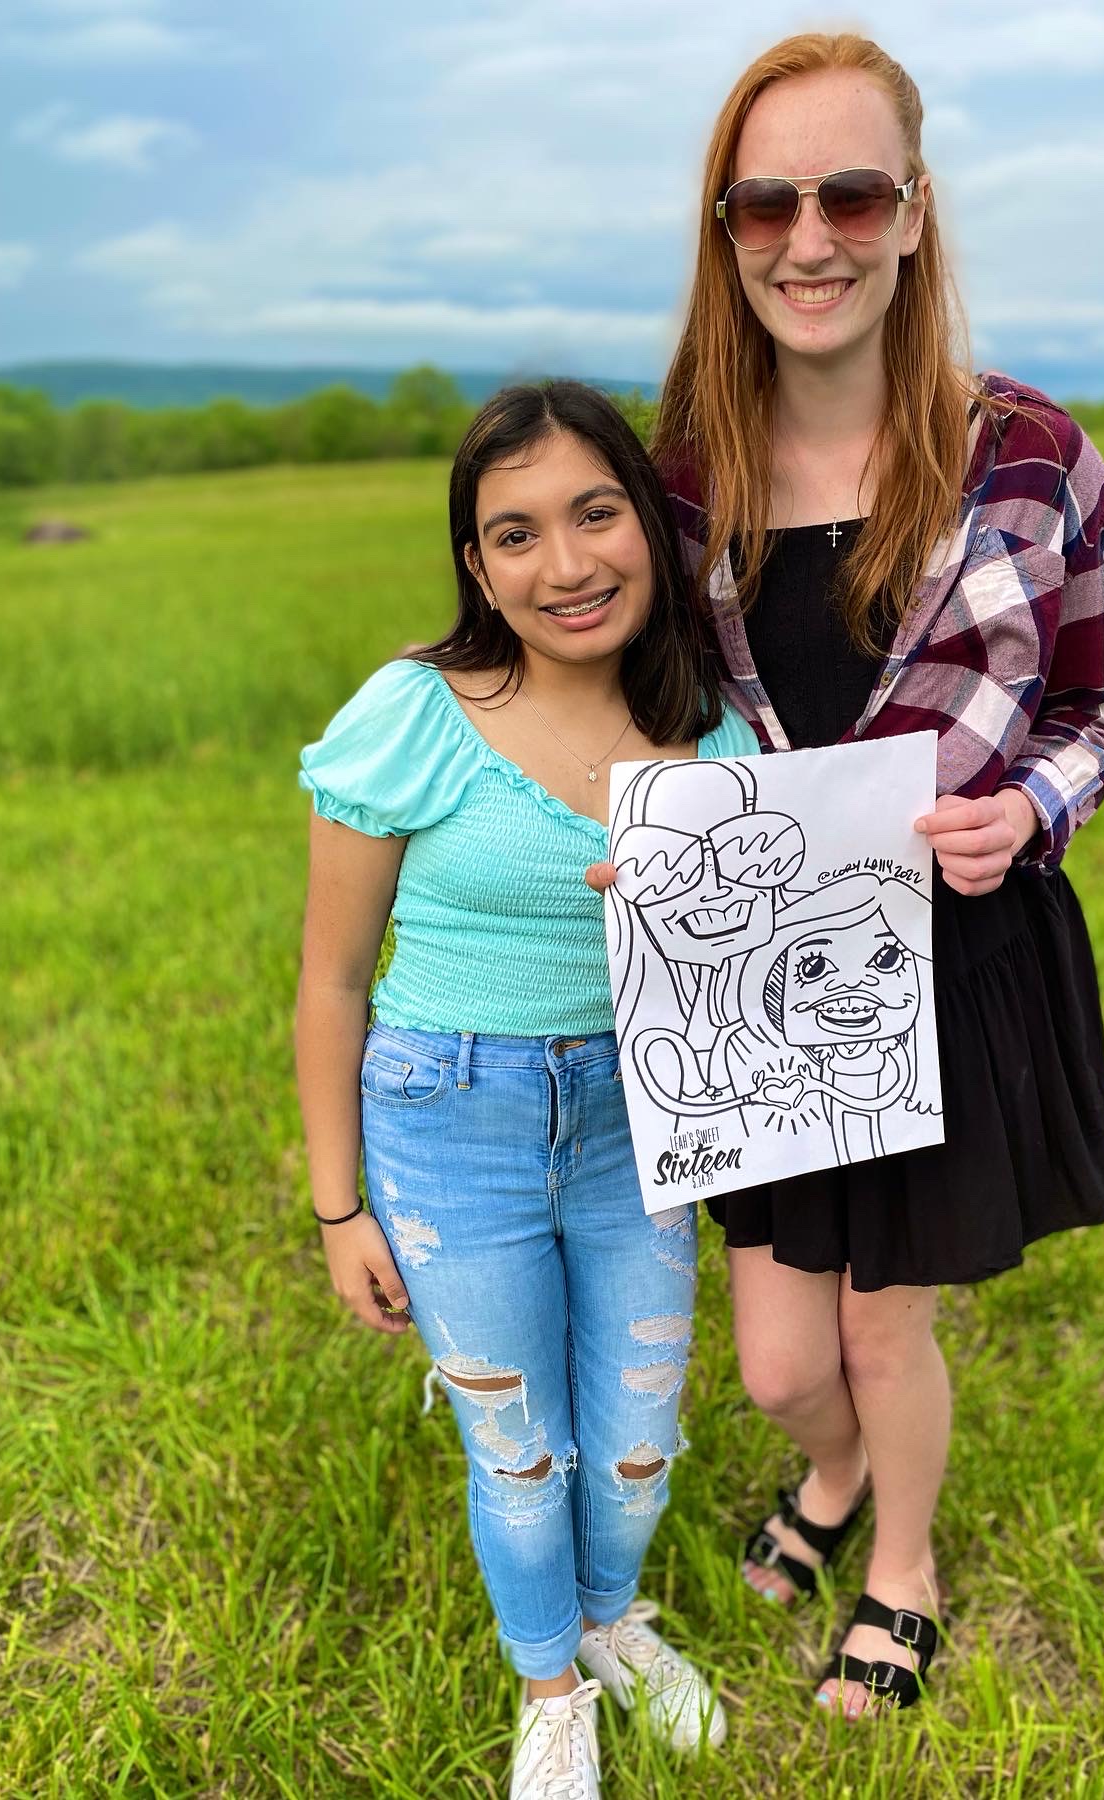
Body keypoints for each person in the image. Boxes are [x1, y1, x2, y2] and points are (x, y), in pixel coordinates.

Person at [593, 32, 1104, 1717]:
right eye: (766, 202)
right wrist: (643, 841)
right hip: (764, 981)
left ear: (914, 213)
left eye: (850, 193)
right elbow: (632, 715)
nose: (807, 237)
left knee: (889, 1329)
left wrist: (1030, 808)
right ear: (724, 227)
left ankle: (902, 1569)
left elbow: (1098, 714)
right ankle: (825, 1476)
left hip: (950, 962)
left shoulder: (1036, 456)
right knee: (774, 1363)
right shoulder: (680, 480)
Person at [295, 381, 751, 1799]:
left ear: (647, 519)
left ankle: (615, 1618)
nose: (567, 564)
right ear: (476, 563)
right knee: (516, 1443)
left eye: (596, 512)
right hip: (451, 1117)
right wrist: (337, 1210)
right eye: (515, 533)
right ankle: (548, 1680)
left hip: (637, 1120)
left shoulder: (714, 732)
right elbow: (331, 984)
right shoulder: (412, 715)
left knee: (631, 1434)